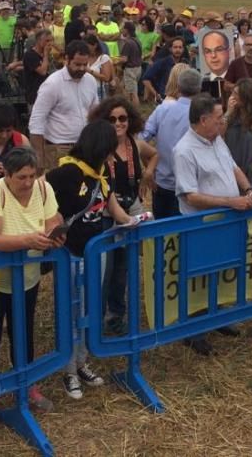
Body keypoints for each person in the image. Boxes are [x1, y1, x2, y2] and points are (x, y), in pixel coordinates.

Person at [46, 120, 134, 398]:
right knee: (72, 313)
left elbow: (111, 205)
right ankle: (68, 370)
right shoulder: (66, 172)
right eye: (109, 148)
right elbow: (44, 200)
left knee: (90, 309)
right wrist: (53, 225)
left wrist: (131, 221)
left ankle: (82, 362)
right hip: (70, 255)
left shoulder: (99, 173)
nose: (112, 154)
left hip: (96, 251)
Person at [173, 94, 252, 356]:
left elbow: (234, 167)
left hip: (224, 221)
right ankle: (194, 331)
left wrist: (247, 189)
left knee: (220, 270)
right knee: (199, 277)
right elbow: (190, 196)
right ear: (203, 120)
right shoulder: (184, 150)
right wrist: (230, 202)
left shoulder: (216, 140)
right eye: (218, 117)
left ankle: (216, 317)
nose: (222, 121)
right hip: (202, 225)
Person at [0, 147, 61, 427]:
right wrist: (29, 241)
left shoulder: (43, 189)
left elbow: (53, 222)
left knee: (23, 332)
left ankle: (27, 384)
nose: (27, 183)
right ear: (7, 176)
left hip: (28, 276)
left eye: (32, 176)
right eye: (21, 177)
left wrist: (54, 238)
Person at [89, 96, 158, 334]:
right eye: (112, 119)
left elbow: (156, 154)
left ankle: (116, 316)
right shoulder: (98, 146)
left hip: (131, 211)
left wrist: (148, 173)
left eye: (123, 118)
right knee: (104, 271)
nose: (118, 123)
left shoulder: (135, 144)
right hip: (106, 215)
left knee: (122, 269)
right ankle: (95, 320)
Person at [141, 68, 203, 219]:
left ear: (179, 87)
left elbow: (141, 139)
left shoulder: (162, 109)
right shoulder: (201, 115)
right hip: (189, 188)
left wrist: (149, 168)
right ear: (200, 88)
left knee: (163, 235)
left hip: (161, 183)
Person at [29, 40, 99, 171]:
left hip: (85, 147)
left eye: (85, 64)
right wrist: (39, 157)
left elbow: (95, 113)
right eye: (77, 64)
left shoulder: (90, 81)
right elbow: (36, 121)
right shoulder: (52, 84)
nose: (82, 69)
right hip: (58, 149)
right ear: (66, 59)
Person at [141, 36, 187, 102]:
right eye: (175, 47)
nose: (178, 50)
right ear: (170, 49)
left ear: (183, 49)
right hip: (165, 99)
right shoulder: (162, 63)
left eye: (180, 47)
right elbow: (145, 79)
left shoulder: (184, 63)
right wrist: (156, 94)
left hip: (180, 99)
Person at [22, 28, 52, 108]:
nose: (49, 43)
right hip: (35, 96)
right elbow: (42, 72)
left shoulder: (47, 55)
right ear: (39, 41)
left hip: (47, 95)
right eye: (47, 41)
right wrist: (46, 55)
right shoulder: (30, 55)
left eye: (51, 41)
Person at [117, 21, 142, 106]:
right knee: (121, 85)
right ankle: (126, 104)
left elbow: (124, 59)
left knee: (133, 93)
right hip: (138, 68)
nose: (121, 30)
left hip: (130, 70)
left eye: (123, 28)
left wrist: (115, 61)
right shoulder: (137, 40)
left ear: (127, 30)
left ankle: (134, 112)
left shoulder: (128, 43)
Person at [85, 33, 114, 102]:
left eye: (87, 46)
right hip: (85, 90)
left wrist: (90, 71)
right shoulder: (85, 58)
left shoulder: (103, 58)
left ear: (95, 45)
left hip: (98, 90)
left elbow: (106, 78)